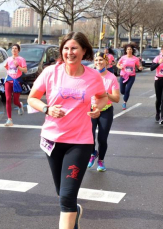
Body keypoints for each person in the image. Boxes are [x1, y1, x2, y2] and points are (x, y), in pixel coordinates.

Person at [28, 32, 108, 229]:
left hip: (80, 142)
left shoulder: (93, 76)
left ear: (83, 52)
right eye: (65, 48)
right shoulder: (50, 73)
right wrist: (47, 108)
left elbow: (103, 96)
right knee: (62, 192)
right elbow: (32, 98)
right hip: (52, 139)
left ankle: (70, 212)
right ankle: (75, 213)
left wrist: (98, 107)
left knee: (66, 196)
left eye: (74, 48)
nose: (69, 52)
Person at [88, 52, 120, 172]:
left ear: (106, 62)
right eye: (96, 60)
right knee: (89, 136)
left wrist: (104, 94)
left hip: (105, 110)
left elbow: (116, 99)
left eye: (101, 60)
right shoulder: (90, 75)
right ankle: (92, 153)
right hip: (91, 109)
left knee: (102, 138)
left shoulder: (111, 77)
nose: (98, 62)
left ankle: (101, 160)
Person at [4, 44, 27, 126]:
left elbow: (25, 70)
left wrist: (18, 66)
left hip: (17, 80)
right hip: (9, 79)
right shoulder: (8, 59)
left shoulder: (21, 59)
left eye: (16, 48)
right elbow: (8, 68)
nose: (14, 50)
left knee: (15, 101)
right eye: (12, 48)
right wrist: (6, 67)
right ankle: (9, 119)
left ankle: (19, 105)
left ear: (18, 50)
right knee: (7, 99)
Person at [116, 43, 142, 110]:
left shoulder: (135, 58)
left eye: (130, 49)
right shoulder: (123, 57)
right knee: (122, 91)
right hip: (123, 75)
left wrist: (140, 67)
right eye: (128, 49)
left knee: (127, 90)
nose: (129, 50)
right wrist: (120, 67)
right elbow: (117, 65)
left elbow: (138, 65)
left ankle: (124, 103)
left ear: (132, 50)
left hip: (131, 76)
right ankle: (125, 95)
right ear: (126, 50)